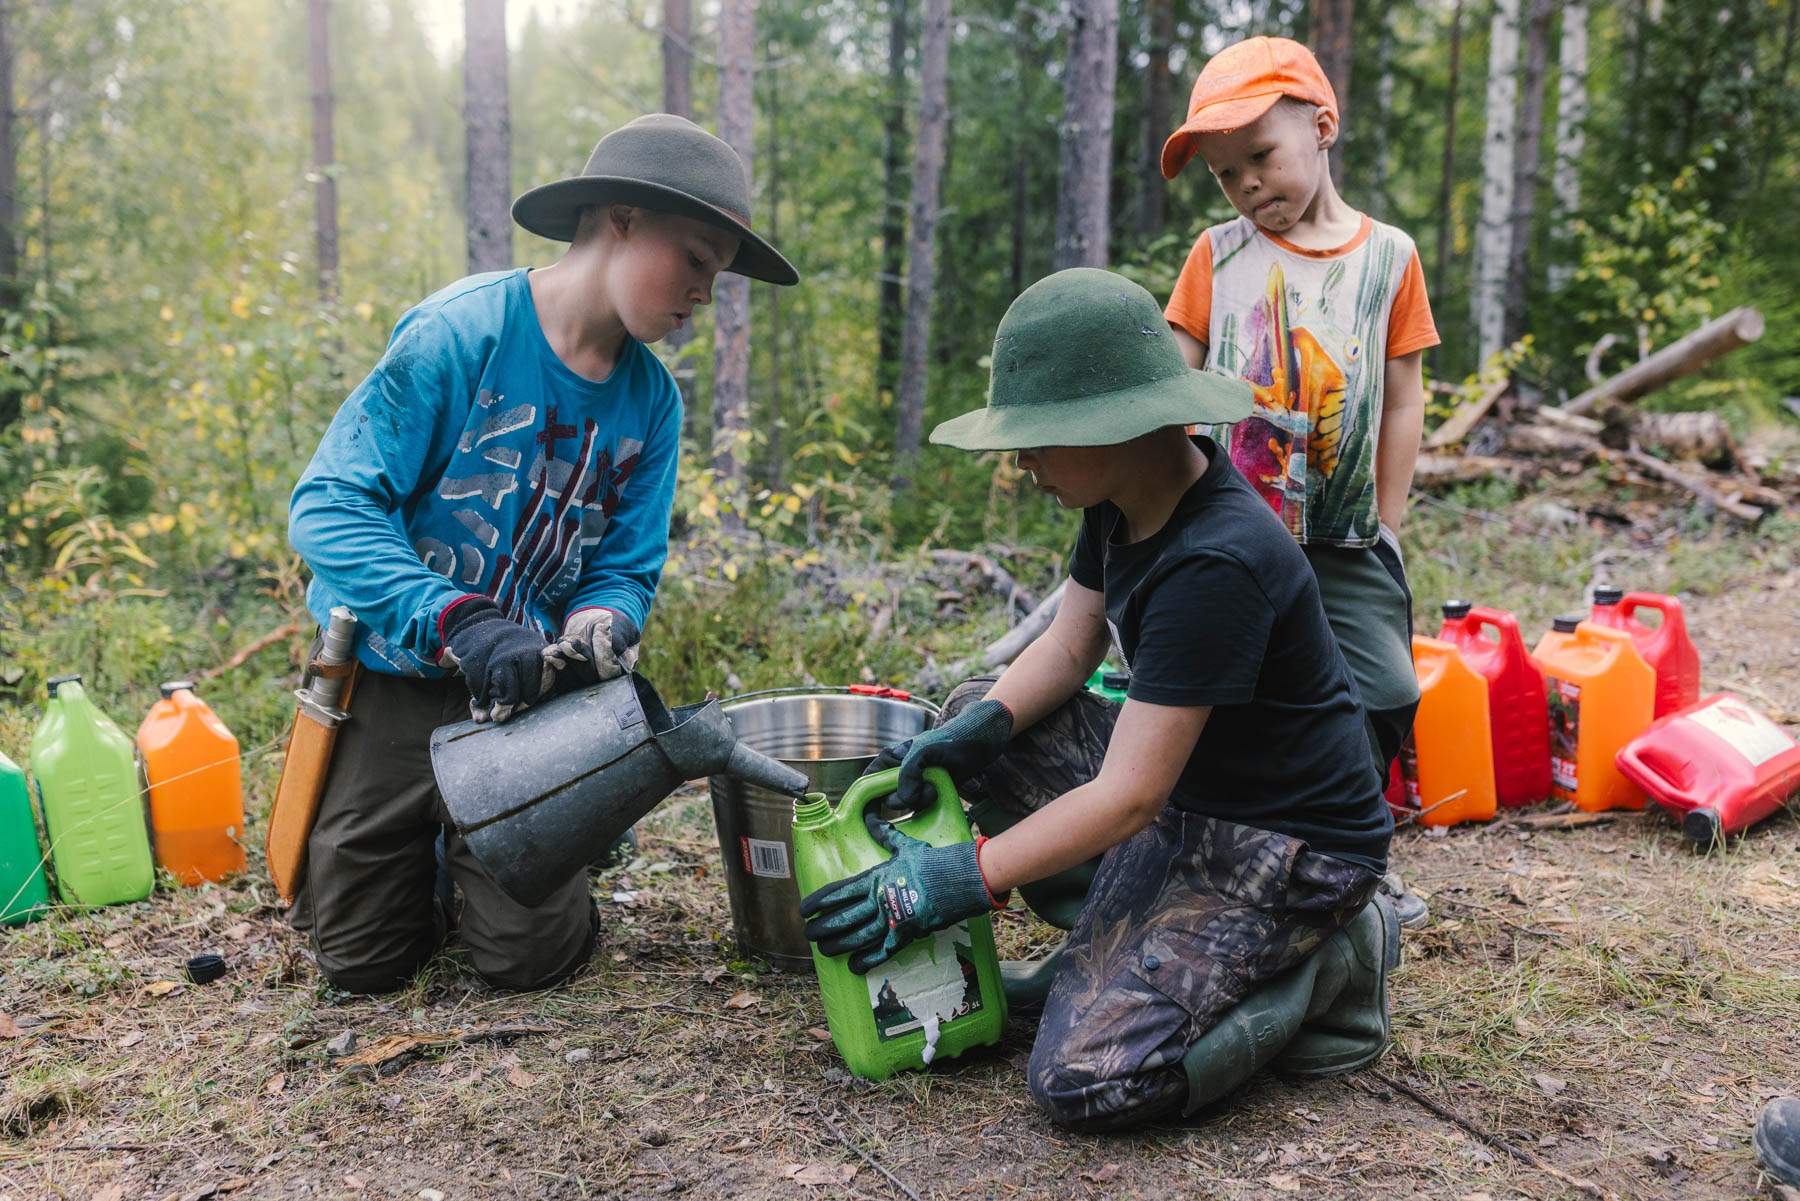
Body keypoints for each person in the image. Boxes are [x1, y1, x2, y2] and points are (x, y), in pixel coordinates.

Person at [800, 269, 1399, 1131]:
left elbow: (1127, 797)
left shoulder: (1215, 562)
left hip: (1284, 848)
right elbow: (1070, 643)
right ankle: (1119, 950)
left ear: (1115, 425)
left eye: (1038, 438)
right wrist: (979, 729)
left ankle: (1324, 970)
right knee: (981, 709)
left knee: (1087, 1079)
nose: (1022, 463)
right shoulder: (1124, 498)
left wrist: (957, 878)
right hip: (1187, 796)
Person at [285, 114, 797, 995]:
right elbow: (328, 507)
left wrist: (601, 622)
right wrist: (456, 617)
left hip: (525, 707)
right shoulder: (461, 335)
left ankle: (491, 858)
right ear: (622, 217)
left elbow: (624, 567)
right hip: (394, 676)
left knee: (531, 961)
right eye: (697, 259)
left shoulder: (653, 403)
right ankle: (426, 856)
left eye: (716, 274)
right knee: (364, 964)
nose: (706, 293)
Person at [1159, 36, 1440, 782]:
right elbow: (1170, 381)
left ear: (1321, 128)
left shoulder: (1389, 258)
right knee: (1227, 679)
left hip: (1346, 536)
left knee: (1385, 687)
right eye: (1226, 173)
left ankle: (1344, 811)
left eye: (1260, 155)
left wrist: (1388, 521)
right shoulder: (1217, 255)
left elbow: (1403, 398)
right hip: (1228, 529)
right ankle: (1241, 814)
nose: (1247, 183)